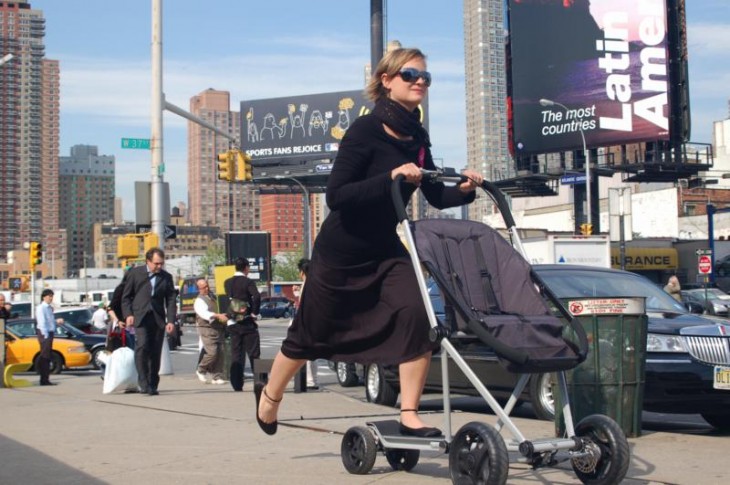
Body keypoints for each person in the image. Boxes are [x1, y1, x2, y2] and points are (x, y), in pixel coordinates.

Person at [255, 47, 483, 436]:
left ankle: (409, 414)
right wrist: (390, 176)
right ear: (387, 79)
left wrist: (464, 190)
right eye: (411, 75)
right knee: (309, 333)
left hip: (384, 248)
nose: (420, 83)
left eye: (426, 78)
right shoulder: (364, 131)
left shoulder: (418, 137)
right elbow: (337, 195)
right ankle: (270, 397)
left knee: (417, 313)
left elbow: (434, 195)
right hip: (341, 251)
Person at [121, 247, 177, 395]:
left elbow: (171, 300)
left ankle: (153, 383)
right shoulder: (135, 273)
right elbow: (125, 297)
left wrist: (171, 320)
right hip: (140, 317)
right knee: (142, 347)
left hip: (158, 319)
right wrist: (128, 315)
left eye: (161, 264)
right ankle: (143, 382)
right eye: (156, 263)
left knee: (155, 352)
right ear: (148, 261)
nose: (159, 266)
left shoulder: (166, 277)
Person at [224, 257, 261, 392]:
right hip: (246, 322)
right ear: (246, 268)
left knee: (236, 354)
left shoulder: (227, 282)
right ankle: (259, 382)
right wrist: (254, 312)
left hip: (233, 321)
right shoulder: (248, 282)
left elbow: (230, 300)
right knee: (254, 353)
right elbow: (256, 296)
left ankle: (237, 384)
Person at [193, 278, 229, 385]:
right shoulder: (199, 301)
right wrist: (218, 315)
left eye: (207, 286)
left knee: (220, 352)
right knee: (212, 352)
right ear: (198, 289)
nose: (206, 288)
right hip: (206, 329)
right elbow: (204, 314)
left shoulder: (212, 296)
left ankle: (216, 376)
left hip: (217, 328)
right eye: (203, 287)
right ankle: (201, 369)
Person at [294, 258, 318, 390]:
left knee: (305, 354)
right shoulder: (315, 283)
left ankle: (309, 381)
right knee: (312, 355)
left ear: (302, 272)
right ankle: (312, 380)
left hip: (306, 324)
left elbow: (304, 305)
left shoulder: (307, 284)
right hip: (314, 323)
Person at [35, 289, 58, 386]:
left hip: (50, 333)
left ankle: (45, 378)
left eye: (52, 296)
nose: (51, 298)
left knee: (47, 356)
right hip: (45, 334)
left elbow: (50, 321)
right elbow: (42, 322)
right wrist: (45, 335)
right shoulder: (41, 308)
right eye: (49, 296)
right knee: (45, 356)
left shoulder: (49, 308)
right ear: (44, 297)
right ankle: (44, 379)